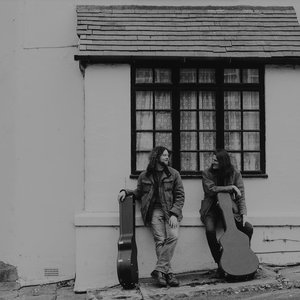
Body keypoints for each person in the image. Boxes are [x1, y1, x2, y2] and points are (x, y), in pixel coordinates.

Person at [118, 146, 185, 287]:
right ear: (157, 157)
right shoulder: (144, 176)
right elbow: (139, 192)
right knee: (160, 240)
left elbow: (180, 196)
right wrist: (125, 191)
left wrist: (174, 213)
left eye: (168, 155)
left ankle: (159, 270)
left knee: (173, 236)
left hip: (170, 211)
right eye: (165, 155)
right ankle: (168, 274)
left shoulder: (174, 174)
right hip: (153, 211)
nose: (168, 157)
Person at [200, 149, 253, 277]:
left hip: (229, 209)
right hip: (211, 209)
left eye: (216, 160)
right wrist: (230, 188)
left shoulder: (235, 173)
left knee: (248, 228)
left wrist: (244, 214)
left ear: (223, 162)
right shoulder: (207, 173)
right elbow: (211, 189)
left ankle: (239, 256)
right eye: (212, 160)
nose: (213, 163)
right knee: (210, 231)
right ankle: (221, 264)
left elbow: (241, 195)